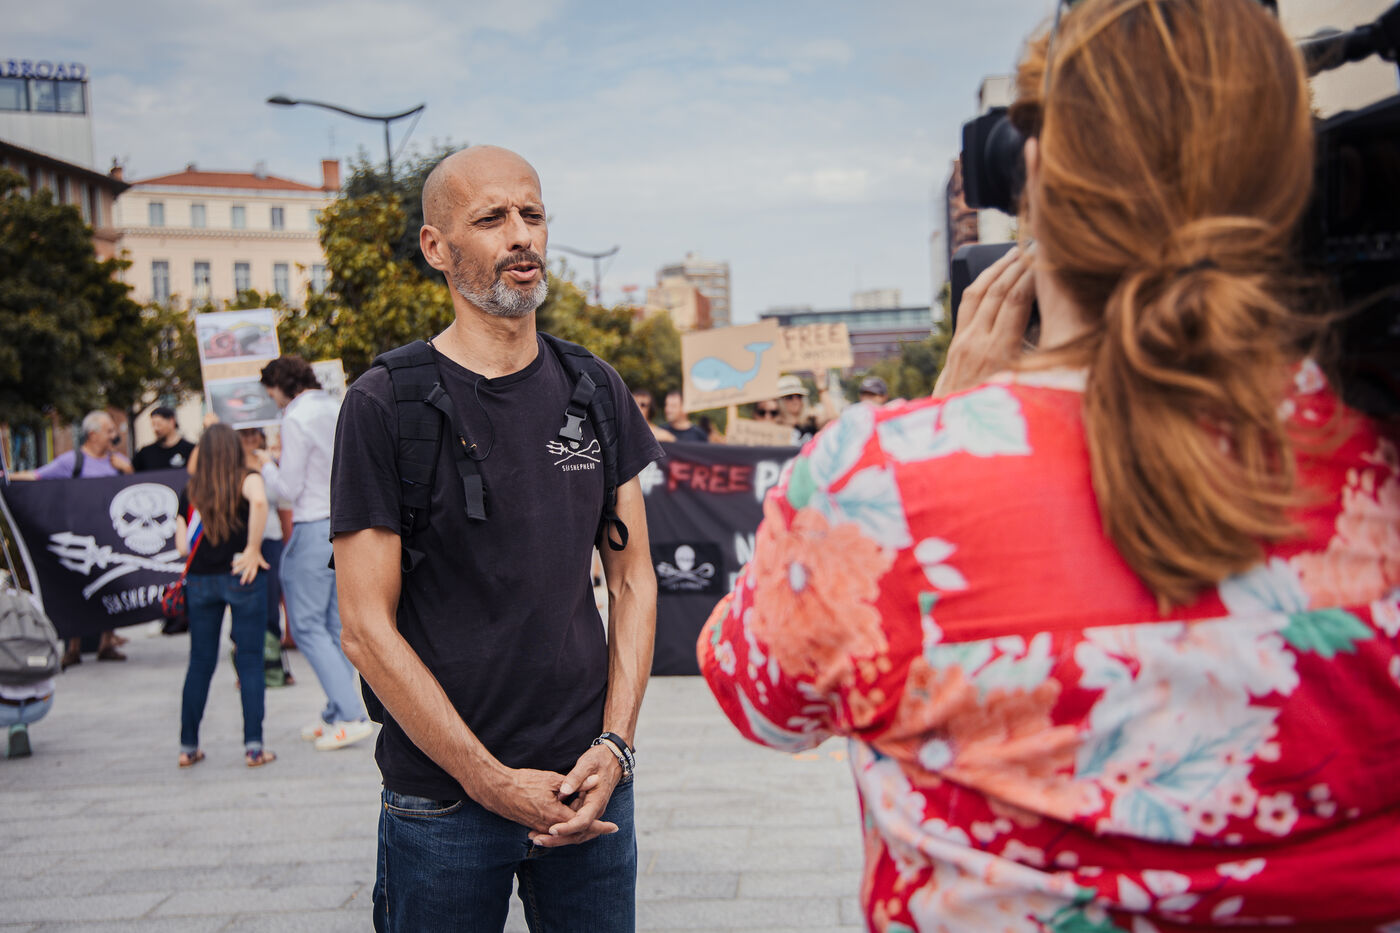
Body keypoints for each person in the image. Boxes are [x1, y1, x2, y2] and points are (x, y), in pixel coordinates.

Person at [699, 1, 1400, 929]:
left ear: (1034, 167)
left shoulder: (879, 482)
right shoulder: (1376, 461)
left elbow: (762, 702)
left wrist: (950, 410)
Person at [331, 145, 662, 932]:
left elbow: (632, 578)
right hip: (443, 804)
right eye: (491, 218)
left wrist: (615, 745)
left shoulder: (595, 388)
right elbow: (364, 628)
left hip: (589, 788)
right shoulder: (384, 404)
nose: (521, 234)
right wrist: (489, 779)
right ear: (436, 247)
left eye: (532, 214)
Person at [256, 356, 370, 750]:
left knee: (306, 624)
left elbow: (287, 488)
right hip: (344, 523)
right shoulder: (336, 405)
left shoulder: (295, 417)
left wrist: (263, 465)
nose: (271, 400)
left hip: (312, 524)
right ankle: (339, 710)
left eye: (270, 392)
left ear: (280, 385)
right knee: (333, 625)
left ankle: (349, 714)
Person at [175, 423, 275, 768]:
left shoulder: (191, 490)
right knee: (249, 661)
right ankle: (254, 748)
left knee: (200, 663)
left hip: (201, 581)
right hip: (242, 575)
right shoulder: (247, 478)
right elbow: (259, 500)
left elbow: (181, 546)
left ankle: (188, 746)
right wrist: (252, 548)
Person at [10, 410, 133, 666]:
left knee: (111, 587)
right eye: (109, 431)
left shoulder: (117, 462)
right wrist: (7, 477)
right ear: (93, 434)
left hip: (109, 536)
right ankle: (73, 647)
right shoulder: (72, 461)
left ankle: (106, 643)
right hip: (80, 537)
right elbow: (37, 476)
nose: (114, 435)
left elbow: (134, 492)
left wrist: (128, 470)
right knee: (76, 590)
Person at [132, 406, 195, 472]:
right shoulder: (145, 453)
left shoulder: (191, 450)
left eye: (159, 424)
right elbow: (132, 473)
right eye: (153, 425)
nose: (156, 429)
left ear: (171, 421)